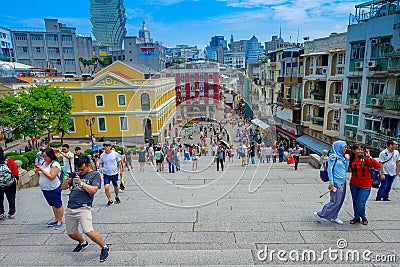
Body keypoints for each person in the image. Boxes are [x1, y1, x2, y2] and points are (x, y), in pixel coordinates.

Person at [61, 155, 109, 262]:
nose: (80, 171)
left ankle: (104, 247)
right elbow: (63, 188)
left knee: (88, 231)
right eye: (78, 169)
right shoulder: (76, 174)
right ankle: (83, 243)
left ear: (88, 165)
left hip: (84, 207)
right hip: (71, 206)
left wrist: (81, 183)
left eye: (82, 169)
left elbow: (93, 190)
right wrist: (66, 180)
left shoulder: (94, 175)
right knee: (71, 233)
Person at [314, 141, 350, 224]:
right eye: (344, 147)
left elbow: (345, 169)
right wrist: (331, 183)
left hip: (343, 181)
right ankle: (321, 214)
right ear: (339, 147)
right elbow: (330, 170)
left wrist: (347, 160)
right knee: (335, 201)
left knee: (340, 201)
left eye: (346, 147)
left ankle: (334, 216)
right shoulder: (333, 157)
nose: (345, 149)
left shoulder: (342, 157)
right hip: (336, 182)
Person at [349, 144, 382, 225]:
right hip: (354, 183)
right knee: (355, 201)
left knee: (360, 202)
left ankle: (363, 216)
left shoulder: (366, 160)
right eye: (358, 149)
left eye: (361, 149)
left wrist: (369, 156)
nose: (360, 151)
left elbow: (378, 166)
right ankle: (356, 216)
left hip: (365, 185)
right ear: (353, 151)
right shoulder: (351, 160)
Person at [34, 148, 64, 230]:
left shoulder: (55, 164)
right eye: (43, 156)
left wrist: (42, 170)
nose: (44, 158)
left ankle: (60, 220)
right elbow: (40, 176)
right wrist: (37, 171)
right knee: (52, 204)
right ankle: (56, 218)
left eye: (46, 156)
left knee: (58, 204)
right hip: (45, 188)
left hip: (53, 187)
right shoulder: (44, 163)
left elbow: (52, 176)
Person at [99, 141, 123, 207]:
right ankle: (110, 200)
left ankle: (117, 196)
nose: (105, 148)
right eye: (104, 146)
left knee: (116, 186)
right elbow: (100, 163)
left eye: (107, 146)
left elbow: (119, 163)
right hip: (106, 173)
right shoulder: (102, 155)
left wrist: (121, 171)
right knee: (106, 187)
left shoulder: (115, 154)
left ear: (110, 147)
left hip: (114, 173)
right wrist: (100, 168)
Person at [0, 147, 19, 220]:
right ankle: (11, 213)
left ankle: (1, 213)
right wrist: (17, 178)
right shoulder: (9, 160)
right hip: (10, 183)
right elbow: (15, 171)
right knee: (11, 198)